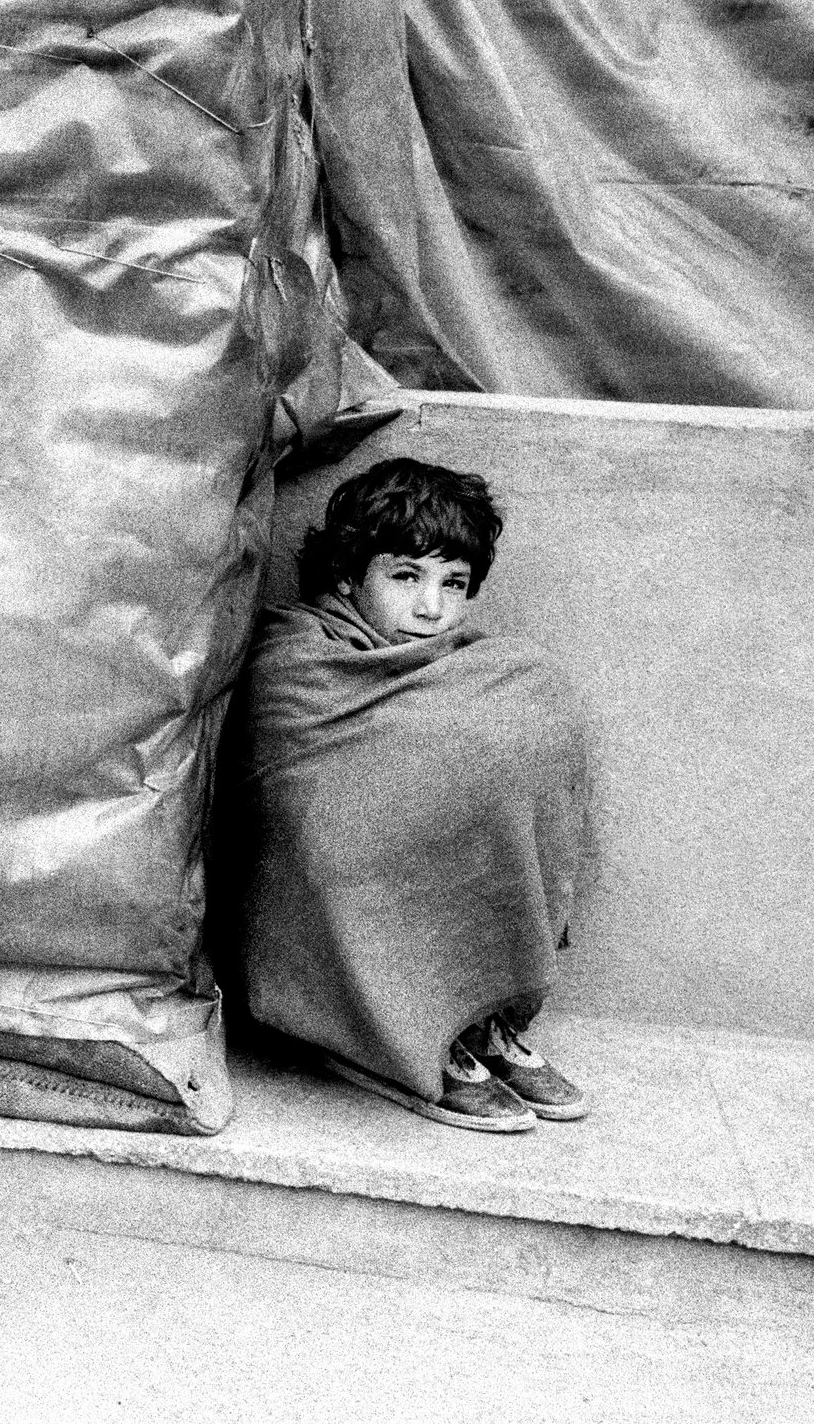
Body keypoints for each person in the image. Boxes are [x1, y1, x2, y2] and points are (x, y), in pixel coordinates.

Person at [225, 457, 596, 1132]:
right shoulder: (297, 660)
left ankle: (477, 1019)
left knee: (536, 690)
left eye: (453, 584)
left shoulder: (467, 664)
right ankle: (391, 1033)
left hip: (402, 871)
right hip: (324, 901)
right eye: (405, 576)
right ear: (346, 574)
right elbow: (319, 807)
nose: (432, 607)